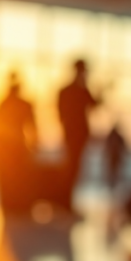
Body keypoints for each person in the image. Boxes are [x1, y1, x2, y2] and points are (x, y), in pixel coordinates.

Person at [57, 60, 102, 208]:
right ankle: (65, 200)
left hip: (72, 134)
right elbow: (94, 105)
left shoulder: (67, 90)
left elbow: (60, 113)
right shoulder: (79, 90)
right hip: (76, 134)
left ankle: (65, 200)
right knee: (72, 167)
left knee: (72, 167)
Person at [0, 72, 39, 152]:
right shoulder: (24, 105)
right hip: (16, 144)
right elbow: (32, 125)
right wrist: (34, 143)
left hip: (6, 145)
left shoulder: (3, 104)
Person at [104, 123, 126, 191]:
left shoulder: (112, 136)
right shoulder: (115, 136)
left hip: (114, 156)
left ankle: (112, 184)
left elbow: (123, 145)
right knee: (113, 170)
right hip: (114, 156)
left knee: (113, 170)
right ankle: (112, 184)